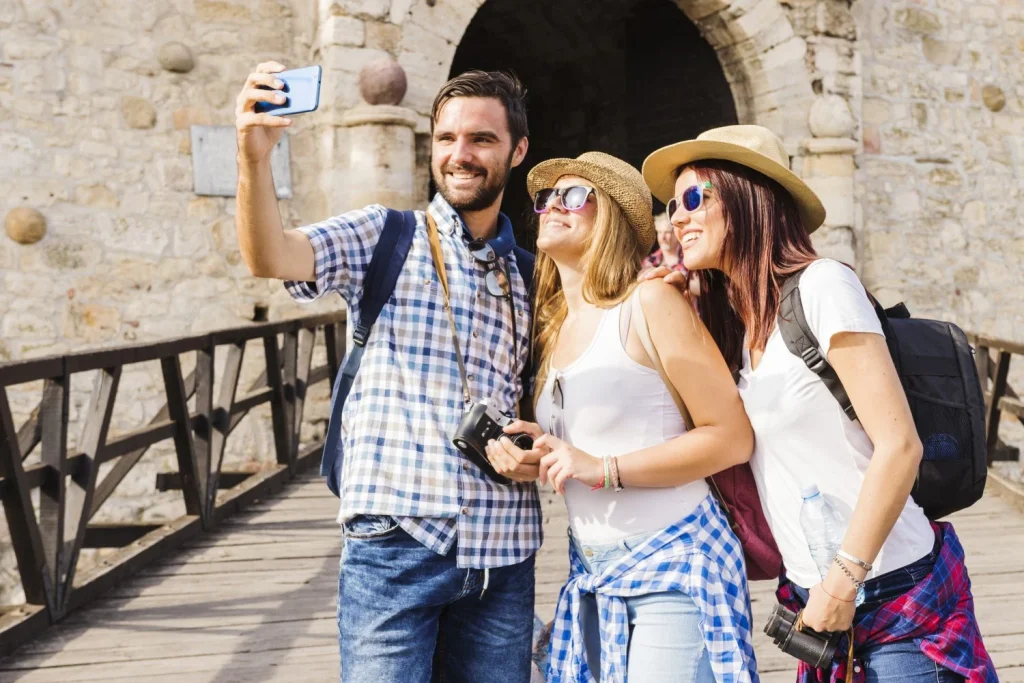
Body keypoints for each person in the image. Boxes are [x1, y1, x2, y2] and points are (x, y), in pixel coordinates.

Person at [641, 124, 996, 682]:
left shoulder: (823, 286)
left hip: (893, 594)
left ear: (748, 197)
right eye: (670, 206)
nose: (675, 219)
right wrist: (673, 301)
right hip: (819, 605)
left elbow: (900, 446)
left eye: (691, 198)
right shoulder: (739, 325)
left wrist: (842, 581)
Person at [234, 64, 540, 683]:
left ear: (518, 150)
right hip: (396, 542)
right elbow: (270, 255)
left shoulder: (534, 276)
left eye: (482, 139)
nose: (461, 155)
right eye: (447, 139)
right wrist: (253, 160)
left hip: (504, 551)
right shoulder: (385, 236)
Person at [485, 152, 758, 683]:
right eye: (546, 198)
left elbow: (731, 438)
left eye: (572, 197)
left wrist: (601, 467)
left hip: (674, 563)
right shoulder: (554, 328)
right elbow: (598, 436)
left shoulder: (650, 302)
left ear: (609, 217)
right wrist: (544, 446)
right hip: (593, 571)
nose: (551, 207)